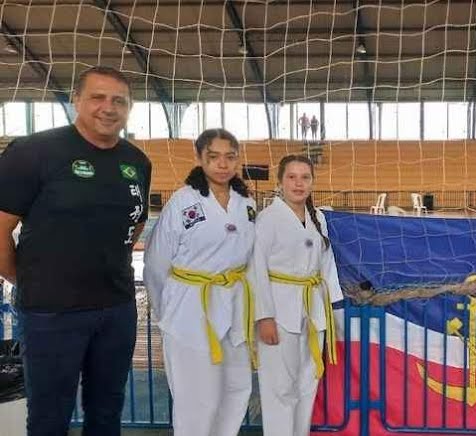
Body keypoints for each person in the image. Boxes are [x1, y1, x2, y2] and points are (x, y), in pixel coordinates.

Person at [0, 66, 151, 436]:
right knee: (50, 415)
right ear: (77, 101)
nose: (108, 107)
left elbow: (138, 221)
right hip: (51, 313)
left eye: (119, 100)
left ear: (129, 108)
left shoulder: (137, 161)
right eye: (98, 97)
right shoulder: (34, 152)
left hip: (116, 309)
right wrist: (25, 280)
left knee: (107, 409)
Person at [143, 128, 256, 436]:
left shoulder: (246, 202)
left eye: (230, 157)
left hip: (234, 305)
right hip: (190, 308)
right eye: (214, 157)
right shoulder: (182, 203)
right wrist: (164, 310)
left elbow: (250, 257)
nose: (223, 164)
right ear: (199, 158)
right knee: (196, 398)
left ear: (238, 160)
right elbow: (155, 263)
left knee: (237, 387)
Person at [250, 154, 344, 436]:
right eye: (292, 177)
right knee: (279, 389)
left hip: (312, 314)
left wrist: (334, 317)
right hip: (278, 314)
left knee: (306, 385)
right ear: (280, 182)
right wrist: (263, 316)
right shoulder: (266, 219)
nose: (298, 183)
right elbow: (255, 269)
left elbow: (327, 270)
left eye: (305, 177)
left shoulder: (318, 221)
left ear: (313, 182)